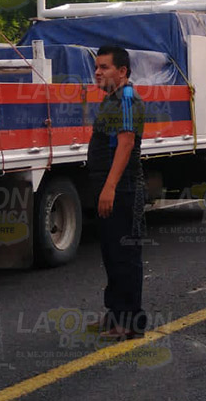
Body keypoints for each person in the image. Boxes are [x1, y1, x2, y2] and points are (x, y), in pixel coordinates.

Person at [90, 45, 147, 339]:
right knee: (112, 254)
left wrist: (109, 187)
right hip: (110, 185)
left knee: (125, 254)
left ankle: (129, 321)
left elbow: (125, 144)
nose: (98, 72)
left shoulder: (127, 99)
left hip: (123, 189)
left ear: (122, 71)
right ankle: (115, 314)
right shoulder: (110, 99)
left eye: (105, 67)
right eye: (97, 67)